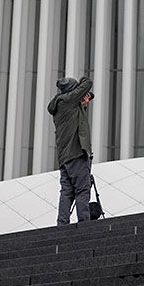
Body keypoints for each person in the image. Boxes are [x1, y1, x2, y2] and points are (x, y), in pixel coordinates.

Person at [47, 76, 94, 225]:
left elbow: (86, 97)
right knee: (82, 190)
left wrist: (84, 100)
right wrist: (81, 82)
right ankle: (85, 224)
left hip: (64, 158)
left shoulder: (60, 105)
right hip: (77, 154)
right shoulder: (68, 100)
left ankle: (62, 224)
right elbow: (88, 83)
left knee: (66, 192)